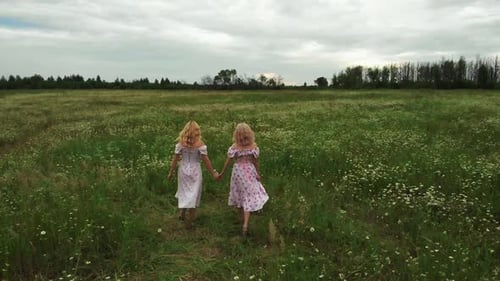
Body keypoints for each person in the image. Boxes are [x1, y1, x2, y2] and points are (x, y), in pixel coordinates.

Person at [218, 123, 269, 237]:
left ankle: (241, 220)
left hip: (237, 172)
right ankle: (245, 224)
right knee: (249, 195)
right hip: (249, 171)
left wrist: (222, 173)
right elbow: (255, 161)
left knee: (239, 194)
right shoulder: (253, 146)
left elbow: (228, 161)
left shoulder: (235, 147)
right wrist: (258, 173)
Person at [168, 120, 219, 229]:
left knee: (184, 191)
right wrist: (213, 173)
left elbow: (175, 159)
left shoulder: (181, 143)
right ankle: (190, 222)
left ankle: (182, 213)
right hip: (195, 170)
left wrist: (171, 172)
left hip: (183, 170)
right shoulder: (200, 144)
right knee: (193, 194)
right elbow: (206, 161)